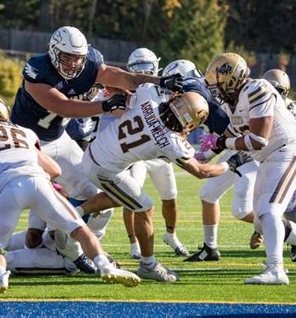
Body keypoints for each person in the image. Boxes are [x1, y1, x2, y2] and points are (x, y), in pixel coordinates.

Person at [0, 94, 140, 298]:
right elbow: (55, 170)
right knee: (80, 229)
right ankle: (104, 265)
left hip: (8, 185)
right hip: (40, 181)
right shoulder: (25, 131)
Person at [10, 26, 183, 248]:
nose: (73, 63)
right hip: (27, 143)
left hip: (59, 139)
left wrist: (160, 81)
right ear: (53, 52)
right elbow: (63, 107)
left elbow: (126, 78)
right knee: (26, 220)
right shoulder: (37, 69)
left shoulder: (90, 63)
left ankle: (75, 249)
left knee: (94, 197)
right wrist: (104, 106)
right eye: (67, 57)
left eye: (78, 58)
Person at [80, 83, 249, 282]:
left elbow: (126, 94)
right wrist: (231, 163)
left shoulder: (149, 95)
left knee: (124, 196)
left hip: (93, 152)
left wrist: (107, 83)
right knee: (144, 206)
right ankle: (148, 265)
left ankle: (74, 214)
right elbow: (201, 171)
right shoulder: (172, 142)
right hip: (104, 169)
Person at [205, 52, 296, 284]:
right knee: (261, 221)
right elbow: (236, 131)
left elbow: (257, 140)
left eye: (219, 82)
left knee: (269, 212)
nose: (216, 89)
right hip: (269, 159)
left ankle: (276, 270)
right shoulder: (233, 101)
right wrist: (200, 155)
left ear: (233, 78)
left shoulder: (257, 89)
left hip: (288, 152)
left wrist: (220, 143)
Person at [160, 60, 258, 262]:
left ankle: (290, 232)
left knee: (241, 210)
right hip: (232, 146)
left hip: (246, 149)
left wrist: (203, 156)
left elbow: (225, 135)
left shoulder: (194, 89)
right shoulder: (204, 88)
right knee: (208, 194)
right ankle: (210, 249)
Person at [120, 48, 189, 258]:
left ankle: (171, 235)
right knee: (132, 196)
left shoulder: (168, 90)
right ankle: (134, 244)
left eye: (146, 67)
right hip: (138, 154)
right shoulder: (127, 90)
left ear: (156, 66)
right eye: (137, 68)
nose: (143, 71)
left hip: (160, 152)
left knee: (170, 197)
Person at [262, 68, 296, 261]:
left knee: (289, 205)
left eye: (278, 90)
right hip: (267, 158)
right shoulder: (260, 104)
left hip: (289, 158)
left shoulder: (294, 108)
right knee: (264, 206)